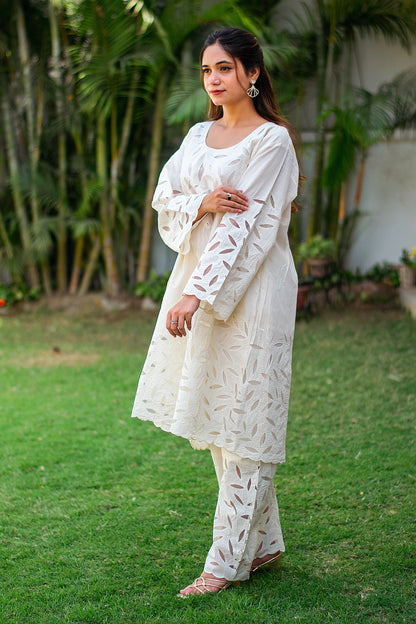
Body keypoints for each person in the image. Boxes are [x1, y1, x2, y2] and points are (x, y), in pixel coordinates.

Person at [131, 27, 300, 597]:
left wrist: (196, 295)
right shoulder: (199, 135)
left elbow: (247, 228)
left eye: (225, 68)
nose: (214, 80)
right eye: (207, 71)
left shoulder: (271, 142)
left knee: (247, 419)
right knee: (222, 418)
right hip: (200, 284)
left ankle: (225, 562)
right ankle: (267, 543)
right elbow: (163, 196)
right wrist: (200, 201)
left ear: (252, 73)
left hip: (252, 292)